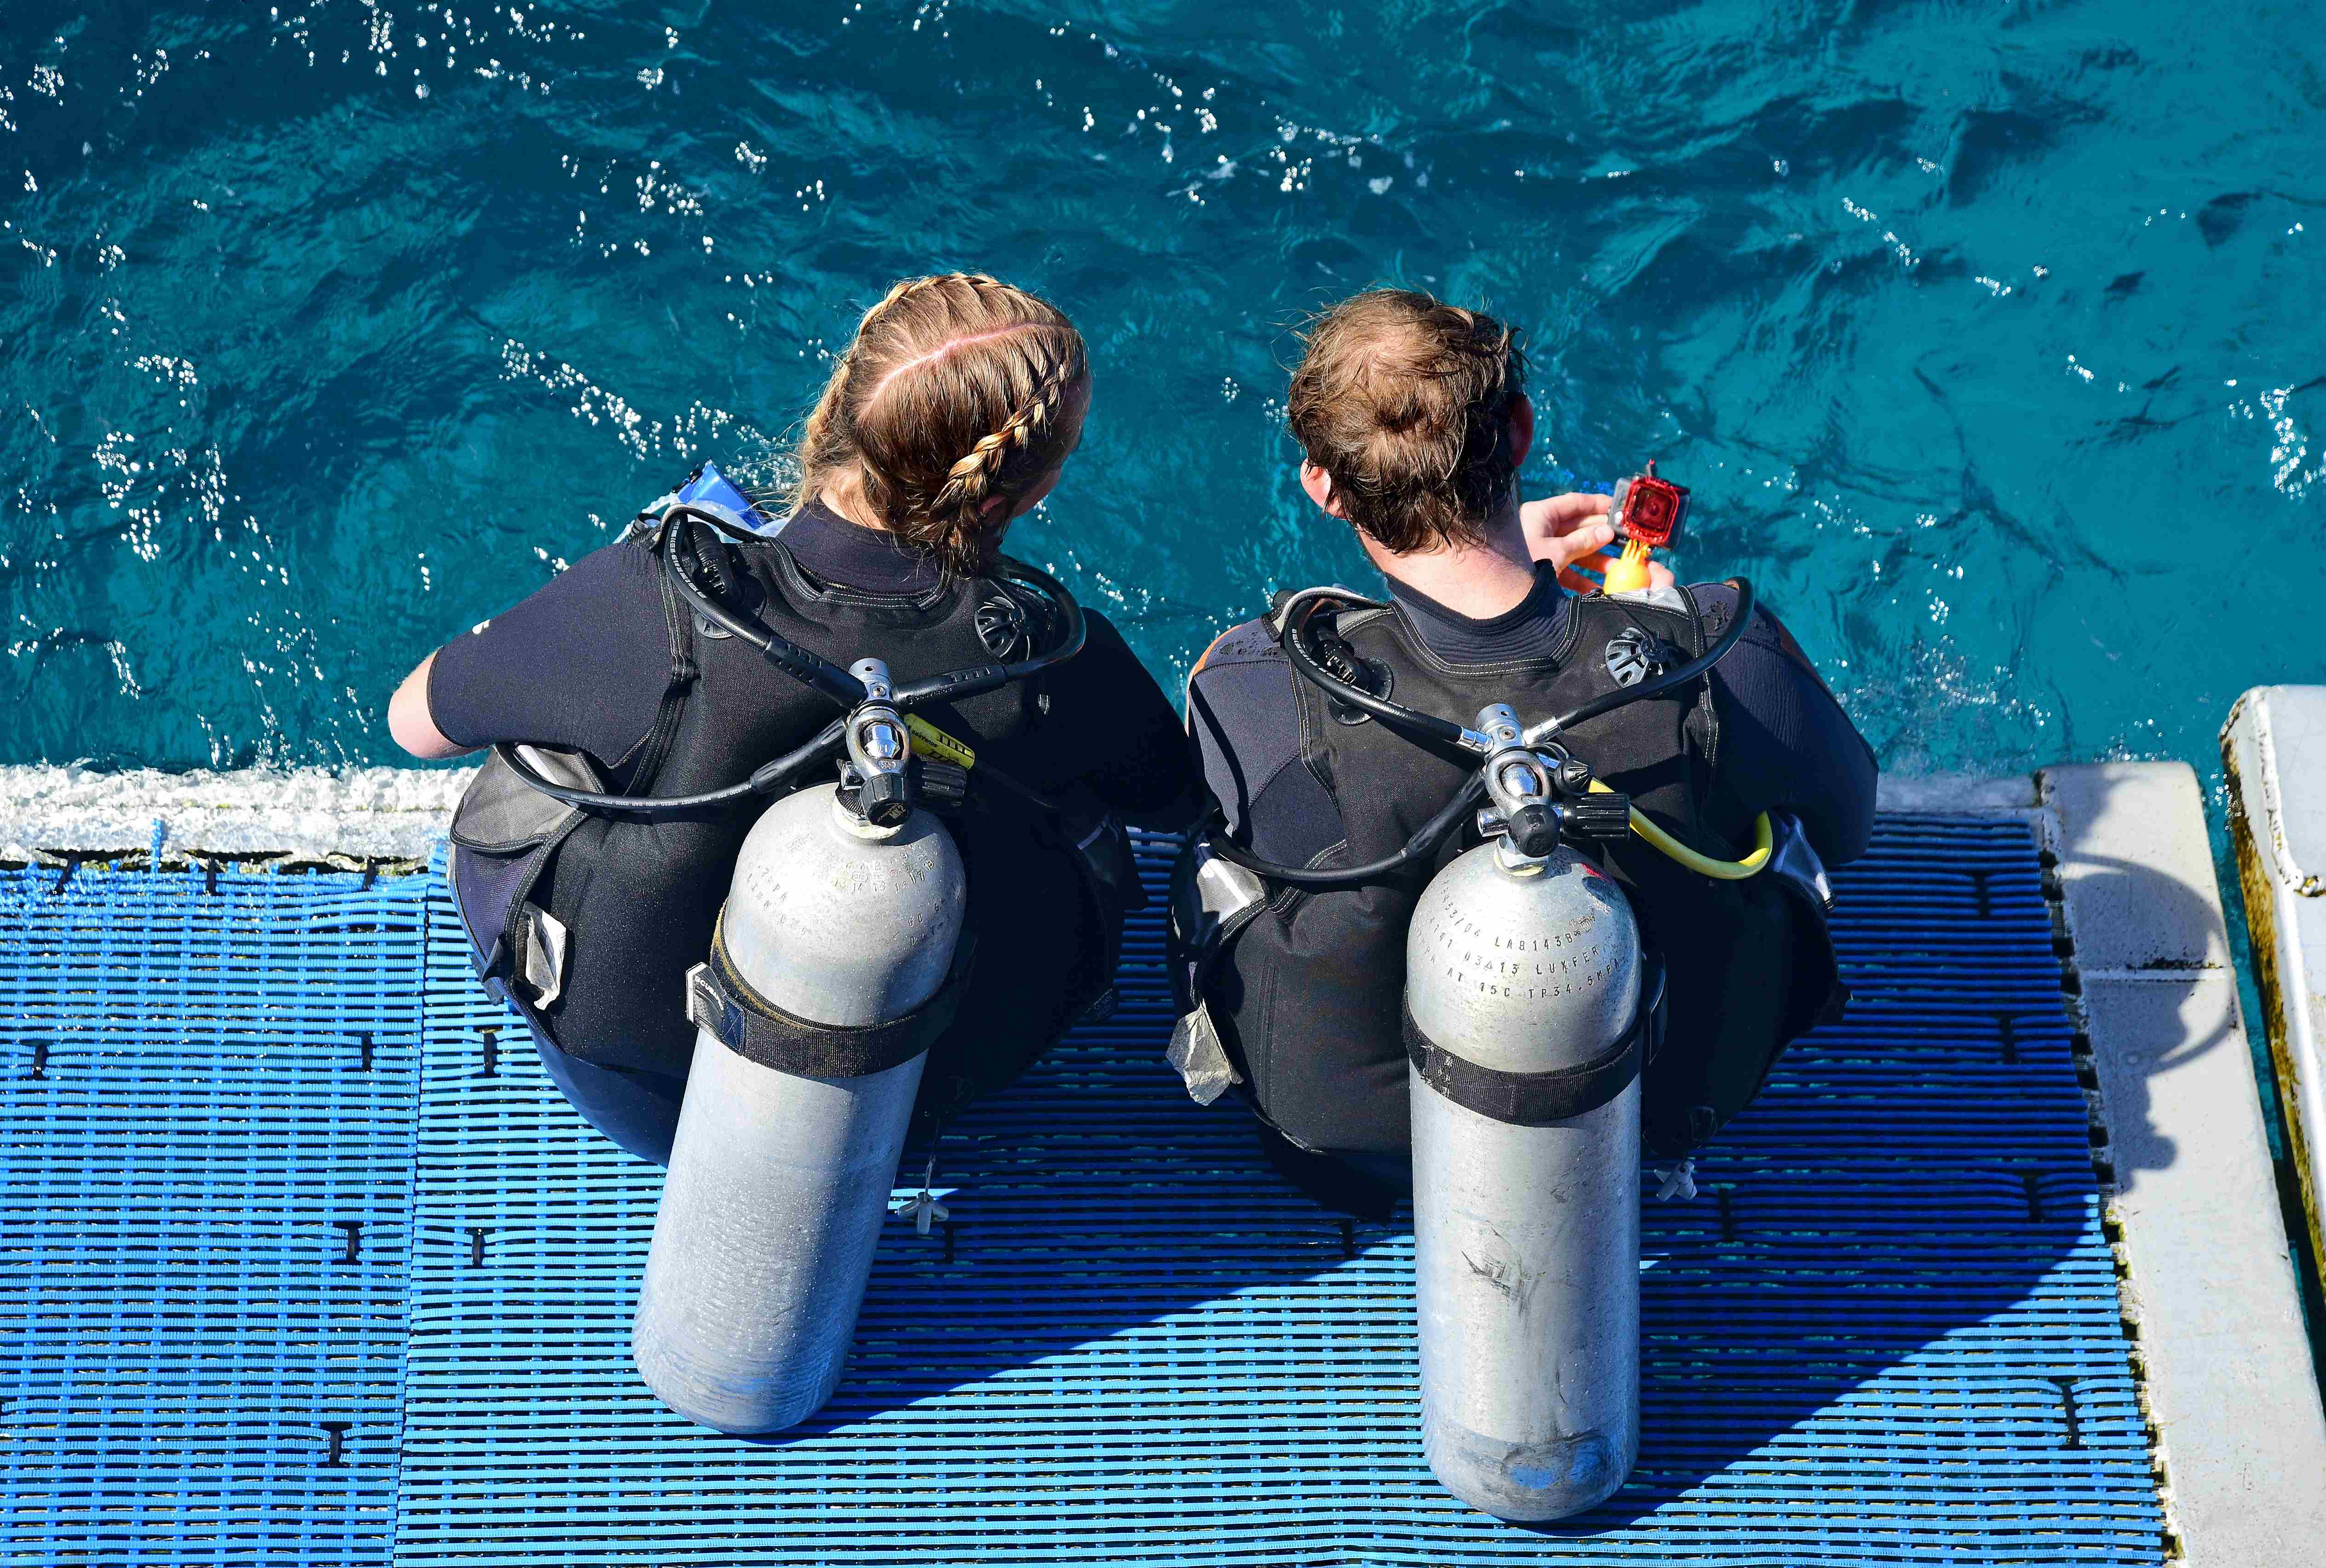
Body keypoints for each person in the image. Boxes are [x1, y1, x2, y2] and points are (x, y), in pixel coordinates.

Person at [388, 272, 1202, 1164]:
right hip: (912, 1090)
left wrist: (559, 640)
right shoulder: (1050, 656)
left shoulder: (659, 602)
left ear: (841, 404)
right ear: (1010, 499)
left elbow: (414, 724)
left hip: (643, 1092)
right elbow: (1175, 797)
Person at [1172, 289, 1878, 1214]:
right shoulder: (1717, 655)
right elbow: (1850, 817)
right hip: (1665, 1108)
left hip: (1355, 1156)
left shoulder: (1257, 683)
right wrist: (1639, 625)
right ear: (1520, 428)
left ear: (1324, 486)